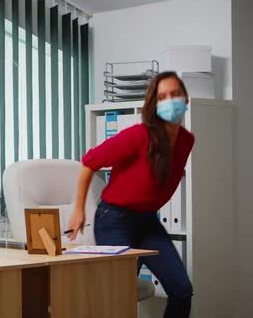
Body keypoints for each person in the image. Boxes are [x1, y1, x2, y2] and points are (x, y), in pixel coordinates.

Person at [66, 72, 194, 318]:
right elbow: (88, 162)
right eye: (162, 97)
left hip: (146, 221)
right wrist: (79, 209)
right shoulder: (139, 135)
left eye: (175, 94)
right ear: (153, 105)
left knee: (181, 290)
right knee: (118, 297)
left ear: (185, 99)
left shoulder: (186, 140)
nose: (170, 101)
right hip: (115, 219)